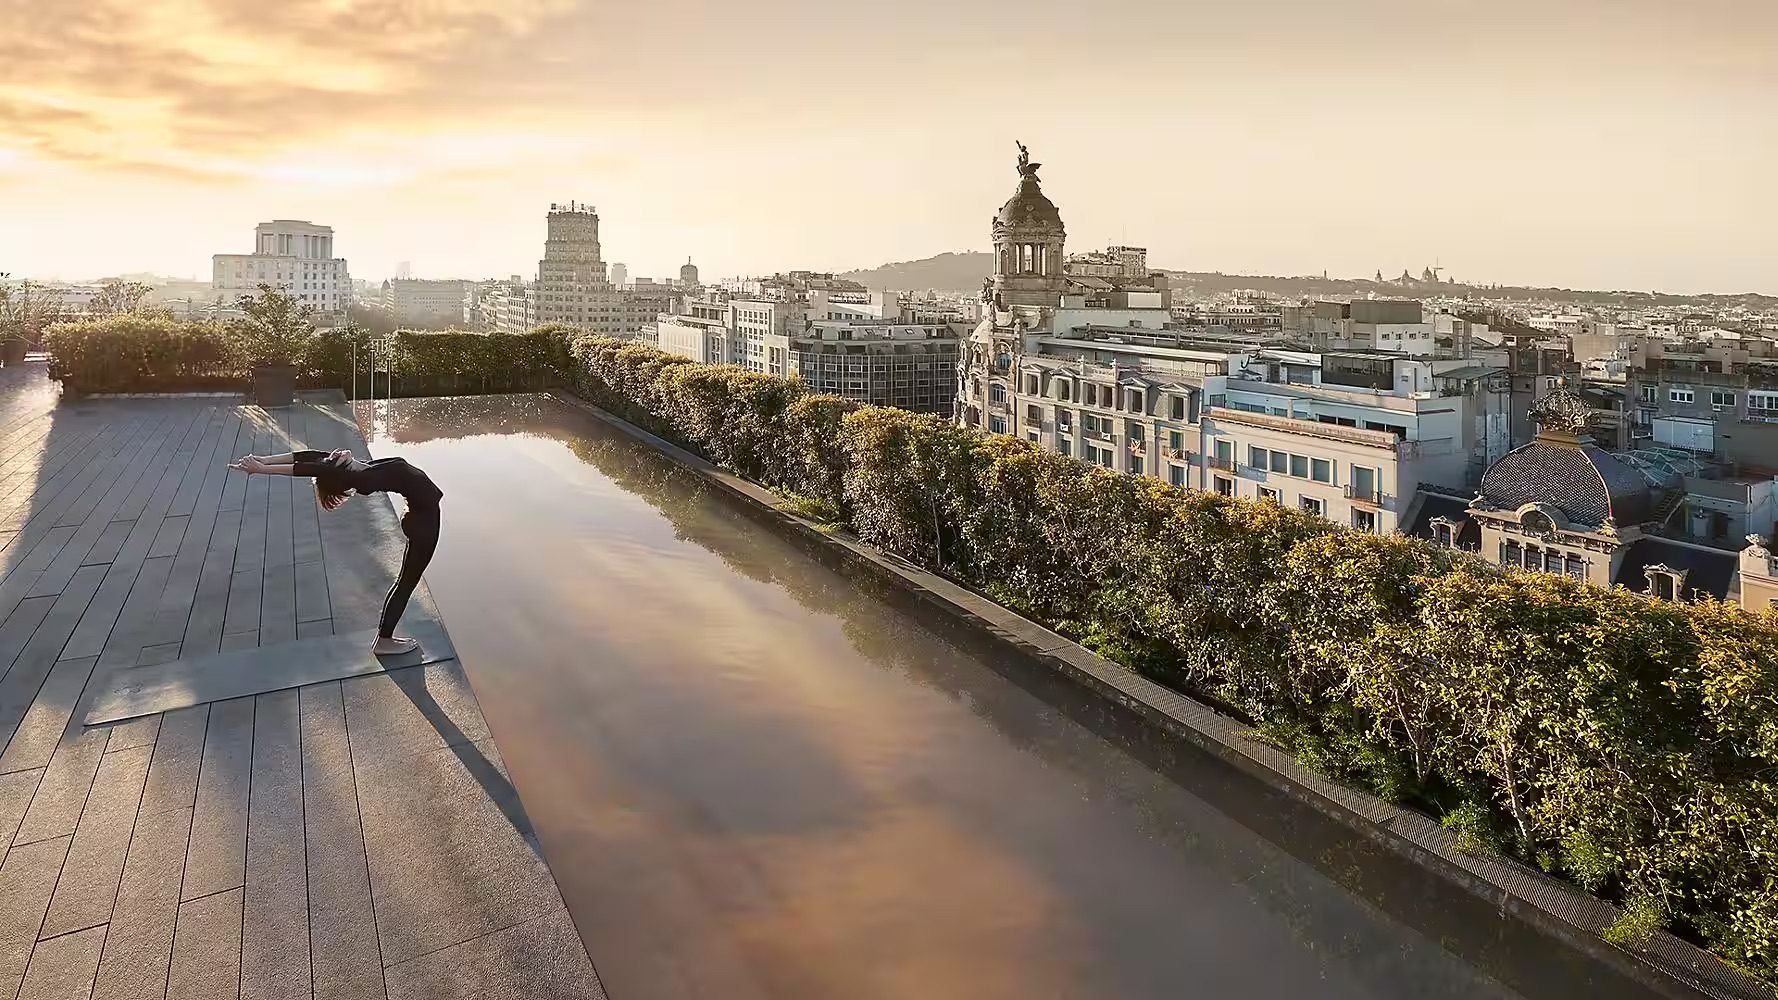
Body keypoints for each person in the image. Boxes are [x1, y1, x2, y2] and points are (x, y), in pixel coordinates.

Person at [229, 448, 443, 655]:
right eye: (332, 459)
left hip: (418, 516)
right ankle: (384, 641)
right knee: (405, 583)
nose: (335, 453)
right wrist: (260, 470)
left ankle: (384, 638)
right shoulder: (364, 479)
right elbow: (304, 469)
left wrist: (263, 460)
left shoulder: (355, 469)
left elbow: (308, 456)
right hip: (424, 523)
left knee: (404, 582)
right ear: (338, 473)